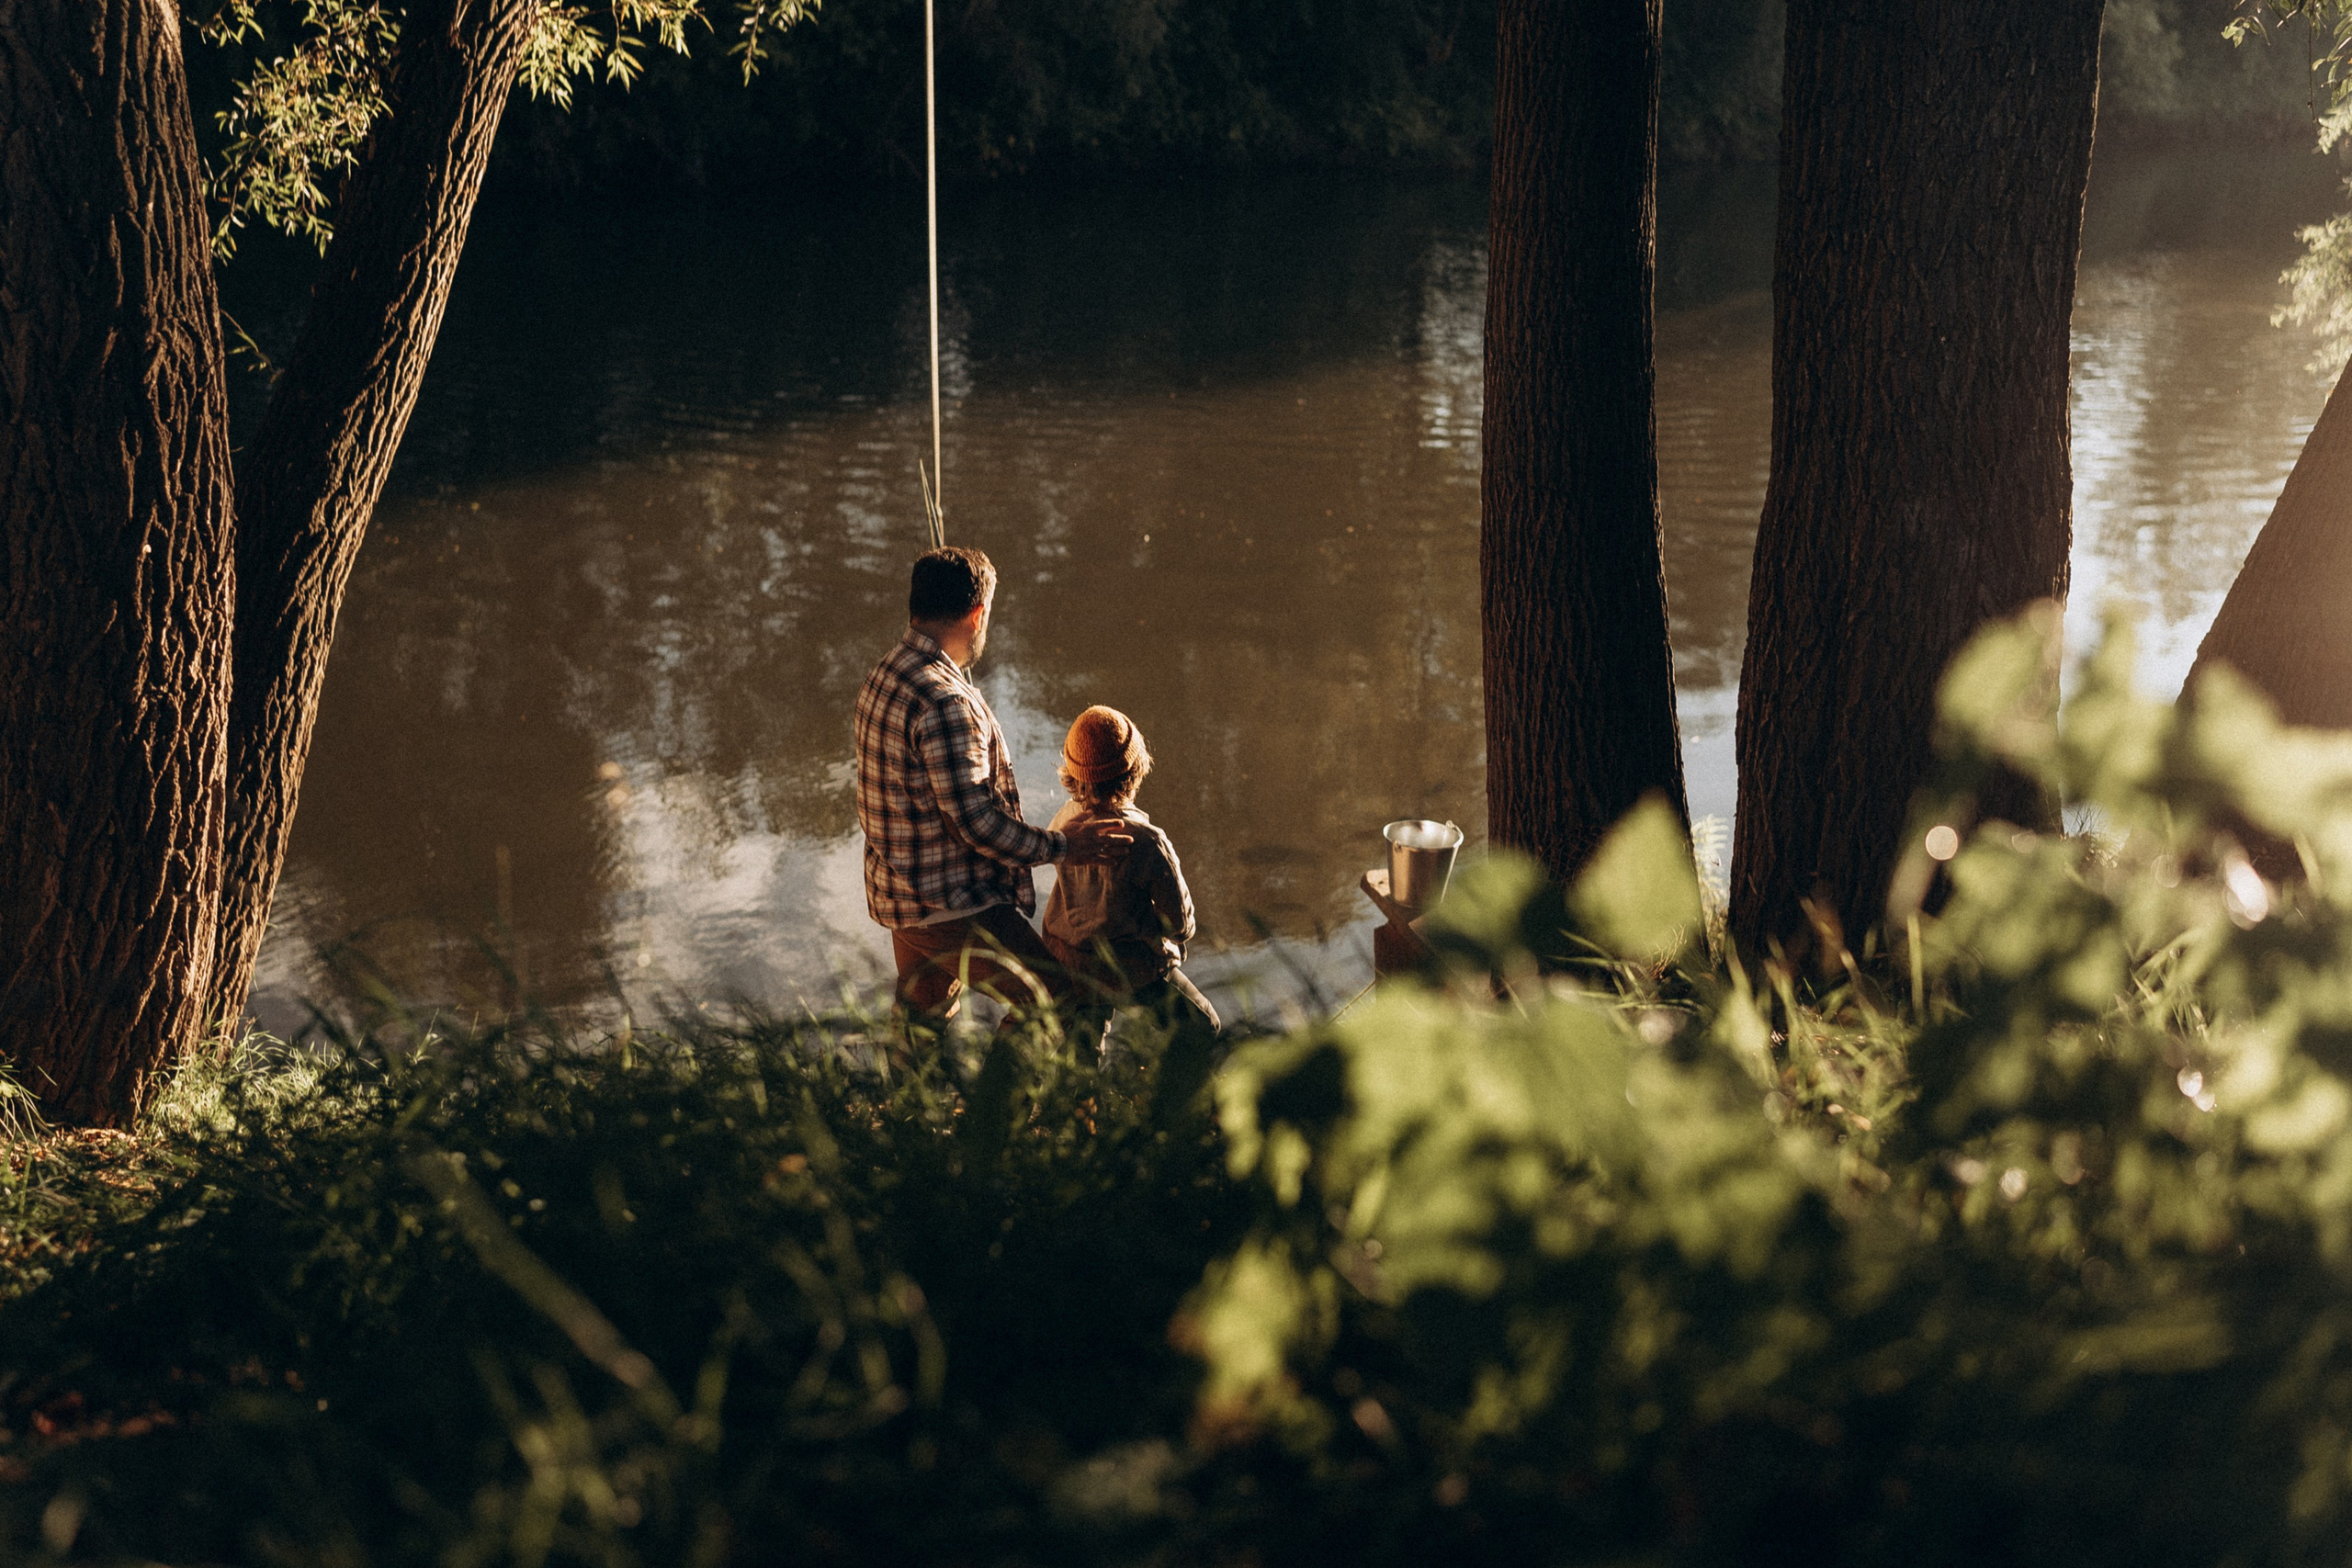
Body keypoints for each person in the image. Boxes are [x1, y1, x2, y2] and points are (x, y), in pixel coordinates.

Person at [854, 546, 1131, 1026]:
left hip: (898, 893)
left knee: (926, 1012)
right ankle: (997, 1104)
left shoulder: (885, 674)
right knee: (1055, 1001)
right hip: (950, 906)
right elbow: (978, 825)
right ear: (977, 615)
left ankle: (904, 1100)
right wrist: (1064, 846)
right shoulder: (945, 702)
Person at [1041, 705, 1220, 1051]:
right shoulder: (1148, 841)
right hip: (1129, 969)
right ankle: (1172, 1101)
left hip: (1069, 961)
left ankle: (1084, 1104)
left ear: (1074, 774)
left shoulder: (1065, 820)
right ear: (1136, 769)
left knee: (1083, 1053)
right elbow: (1180, 925)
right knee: (1203, 1027)